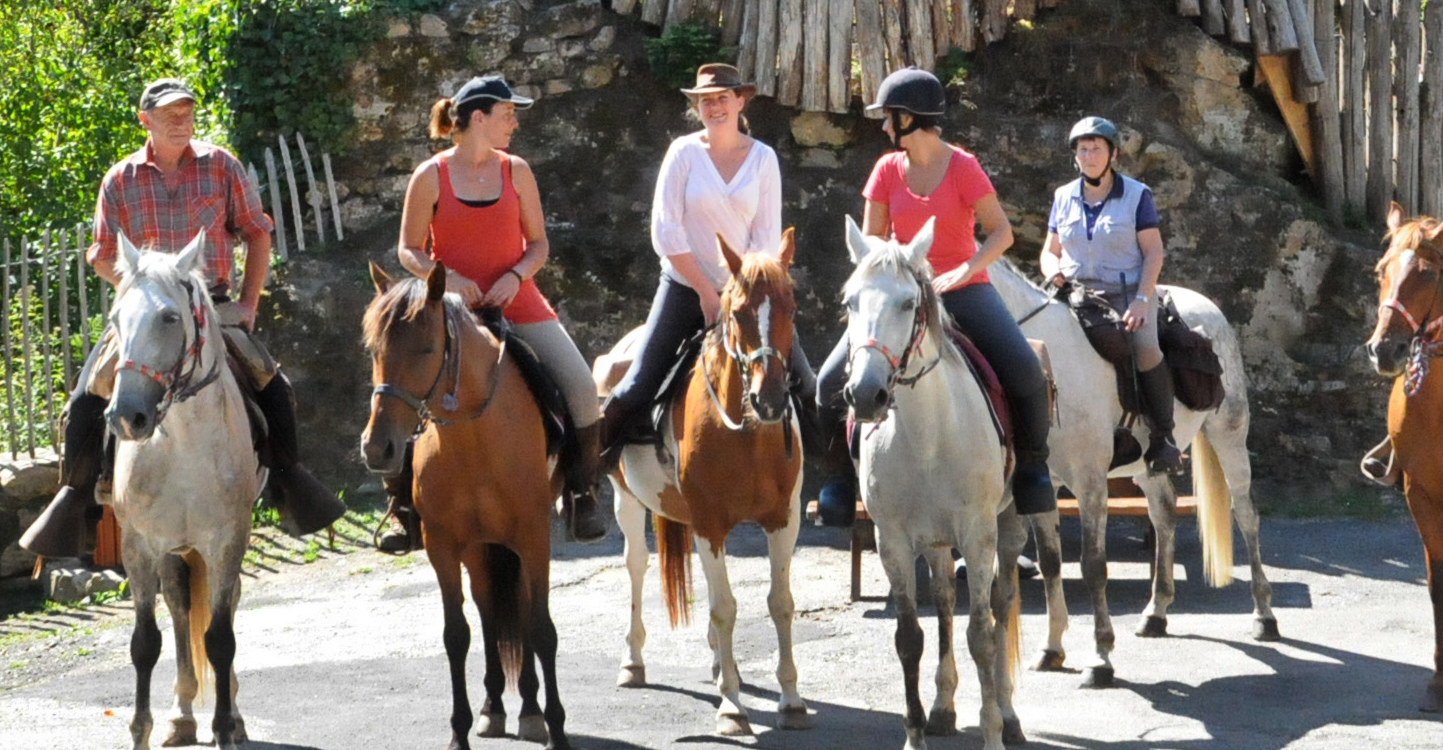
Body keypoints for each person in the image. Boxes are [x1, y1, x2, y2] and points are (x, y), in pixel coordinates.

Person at [22, 78, 344, 561]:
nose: (181, 121)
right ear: (144, 119)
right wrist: (139, 295)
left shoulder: (221, 166)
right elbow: (101, 255)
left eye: (187, 112)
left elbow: (257, 234)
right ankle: (76, 501)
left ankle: (288, 481)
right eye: (169, 114)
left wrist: (250, 304)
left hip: (211, 304)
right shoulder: (120, 179)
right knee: (87, 398)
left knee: (272, 386)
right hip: (146, 312)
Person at [816, 68, 1058, 524]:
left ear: (909, 118)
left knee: (1026, 369)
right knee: (827, 381)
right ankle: (838, 480)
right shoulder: (886, 170)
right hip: (901, 294)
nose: (885, 126)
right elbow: (870, 243)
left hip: (963, 290)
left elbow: (1001, 233)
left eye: (889, 117)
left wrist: (965, 270)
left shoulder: (963, 167)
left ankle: (1031, 468)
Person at [376, 75, 606, 551]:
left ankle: (582, 492)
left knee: (582, 388)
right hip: (452, 311)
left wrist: (516, 275)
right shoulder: (430, 176)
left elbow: (539, 244)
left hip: (517, 301)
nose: (514, 122)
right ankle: (401, 509)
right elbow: (408, 250)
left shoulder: (516, 170)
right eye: (508, 113)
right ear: (478, 118)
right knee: (398, 384)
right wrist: (447, 277)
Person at [592, 61, 825, 476]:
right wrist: (704, 291)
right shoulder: (683, 153)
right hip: (686, 286)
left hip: (750, 292)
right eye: (705, 101)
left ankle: (834, 481)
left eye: (723, 98)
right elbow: (666, 231)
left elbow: (767, 237)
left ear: (740, 101)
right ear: (697, 107)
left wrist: (738, 292)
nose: (714, 107)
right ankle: (586, 479)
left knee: (805, 383)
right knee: (637, 383)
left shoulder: (763, 159)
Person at [1039, 115, 1185, 476]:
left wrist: (1141, 300)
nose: (1088, 156)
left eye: (1096, 149)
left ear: (1113, 154)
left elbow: (1154, 252)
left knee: (1146, 346)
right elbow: (1049, 250)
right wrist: (1050, 270)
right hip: (1073, 292)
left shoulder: (1137, 195)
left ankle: (1163, 438)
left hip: (1125, 294)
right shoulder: (1063, 196)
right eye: (1082, 150)